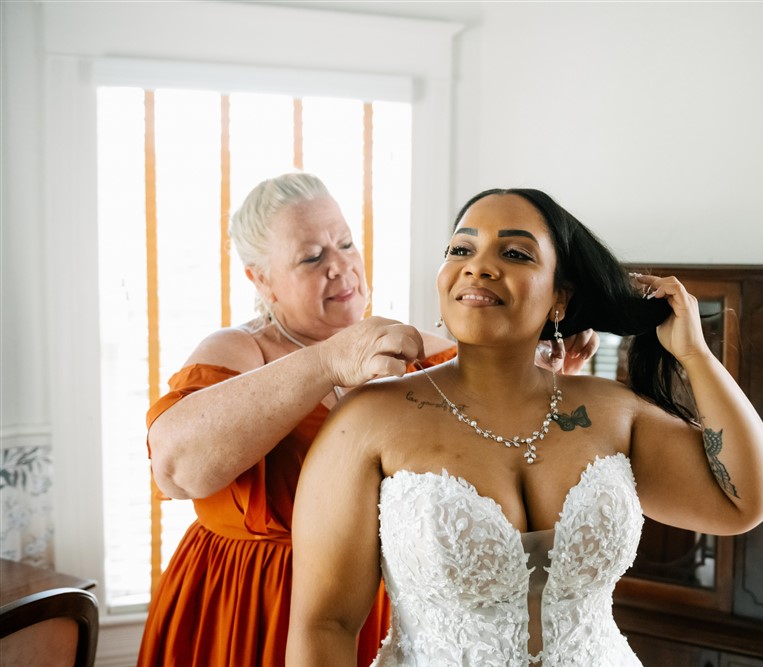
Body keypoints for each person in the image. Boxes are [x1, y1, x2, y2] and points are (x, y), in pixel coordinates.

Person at [287, 188, 763, 666]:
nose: (479, 265)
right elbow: (324, 625)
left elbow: (749, 501)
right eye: (461, 248)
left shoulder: (614, 413)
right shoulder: (368, 420)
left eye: (517, 254)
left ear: (560, 300)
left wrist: (694, 355)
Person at [137, 172, 600, 667]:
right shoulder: (237, 350)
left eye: (345, 244)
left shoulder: (416, 351)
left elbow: (508, 436)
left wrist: (551, 362)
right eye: (312, 257)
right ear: (260, 278)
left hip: (373, 605)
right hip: (250, 604)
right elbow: (176, 470)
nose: (341, 267)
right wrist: (325, 362)